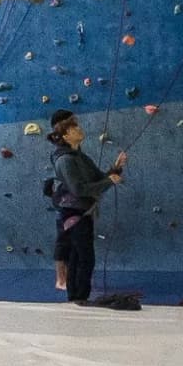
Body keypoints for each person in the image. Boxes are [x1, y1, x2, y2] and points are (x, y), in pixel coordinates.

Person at [44, 111, 123, 306]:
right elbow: (78, 189)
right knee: (81, 257)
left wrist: (116, 168)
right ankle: (78, 297)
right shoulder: (65, 160)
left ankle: (78, 297)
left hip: (82, 213)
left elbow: (99, 178)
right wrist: (108, 182)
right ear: (66, 136)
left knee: (80, 257)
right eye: (74, 128)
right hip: (73, 214)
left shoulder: (80, 157)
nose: (80, 129)